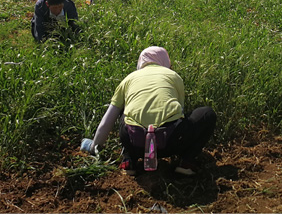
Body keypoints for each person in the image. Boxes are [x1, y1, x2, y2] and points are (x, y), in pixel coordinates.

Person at [80, 46, 217, 176]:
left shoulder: (128, 79)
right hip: (170, 143)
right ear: (166, 63)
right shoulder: (174, 76)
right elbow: (179, 113)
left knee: (126, 111)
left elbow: (108, 119)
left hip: (134, 142)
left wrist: (94, 147)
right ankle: (186, 162)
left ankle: (129, 160)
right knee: (207, 114)